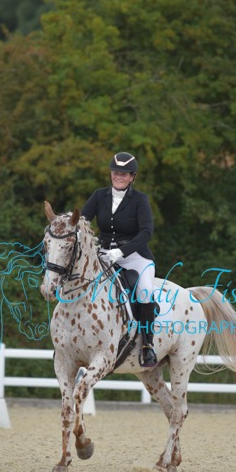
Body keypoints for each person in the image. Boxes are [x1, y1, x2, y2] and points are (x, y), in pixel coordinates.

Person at [81, 151, 158, 367]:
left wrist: (120, 252)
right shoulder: (99, 196)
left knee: (145, 291)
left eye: (124, 174)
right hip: (103, 254)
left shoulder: (140, 200)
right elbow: (82, 221)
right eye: (115, 172)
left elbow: (146, 232)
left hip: (135, 256)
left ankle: (147, 345)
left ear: (132, 177)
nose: (118, 177)